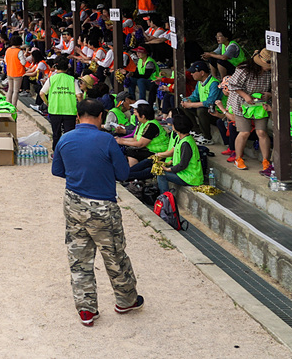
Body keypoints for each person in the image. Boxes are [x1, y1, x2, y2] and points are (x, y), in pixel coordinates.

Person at [51, 99, 143, 326]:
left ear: (78, 116)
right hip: (102, 206)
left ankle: (86, 309)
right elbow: (123, 173)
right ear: (101, 116)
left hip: (73, 203)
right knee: (114, 255)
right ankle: (126, 300)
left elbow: (57, 170)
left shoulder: (65, 138)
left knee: (79, 257)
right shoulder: (106, 139)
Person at [222, 48, 273, 174]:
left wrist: (269, 95)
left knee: (261, 131)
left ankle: (266, 160)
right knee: (244, 132)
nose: (268, 68)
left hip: (260, 104)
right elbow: (232, 85)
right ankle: (238, 158)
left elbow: (276, 89)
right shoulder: (243, 69)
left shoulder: (271, 72)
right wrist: (245, 95)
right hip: (241, 102)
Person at [150, 113, 203, 195]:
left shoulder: (186, 143)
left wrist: (169, 169)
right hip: (183, 173)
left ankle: (165, 199)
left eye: (173, 124)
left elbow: (183, 165)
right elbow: (177, 155)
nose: (171, 125)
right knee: (157, 169)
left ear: (178, 127)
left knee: (161, 174)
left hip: (190, 177)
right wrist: (168, 163)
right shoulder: (179, 137)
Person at [115, 100, 169, 178]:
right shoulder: (143, 123)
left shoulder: (152, 126)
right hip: (150, 151)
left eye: (137, 114)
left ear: (143, 116)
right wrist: (120, 140)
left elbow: (141, 143)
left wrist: (121, 141)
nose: (135, 115)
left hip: (158, 153)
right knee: (129, 151)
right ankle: (127, 174)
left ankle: (127, 175)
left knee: (134, 156)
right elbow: (135, 139)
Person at [41, 55, 81, 151]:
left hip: (55, 109)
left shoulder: (51, 79)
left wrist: (47, 103)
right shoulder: (72, 80)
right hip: (70, 110)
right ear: (67, 67)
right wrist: (80, 107)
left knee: (56, 134)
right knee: (69, 134)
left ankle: (56, 153)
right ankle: (69, 152)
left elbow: (42, 93)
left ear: (55, 66)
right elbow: (79, 95)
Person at [179, 61, 223, 146]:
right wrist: (187, 100)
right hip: (208, 111)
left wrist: (191, 104)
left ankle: (207, 138)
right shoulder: (199, 82)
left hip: (217, 113)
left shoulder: (214, 83)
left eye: (193, 72)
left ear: (202, 73)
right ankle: (196, 130)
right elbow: (195, 96)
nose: (191, 74)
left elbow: (210, 103)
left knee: (201, 111)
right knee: (184, 106)